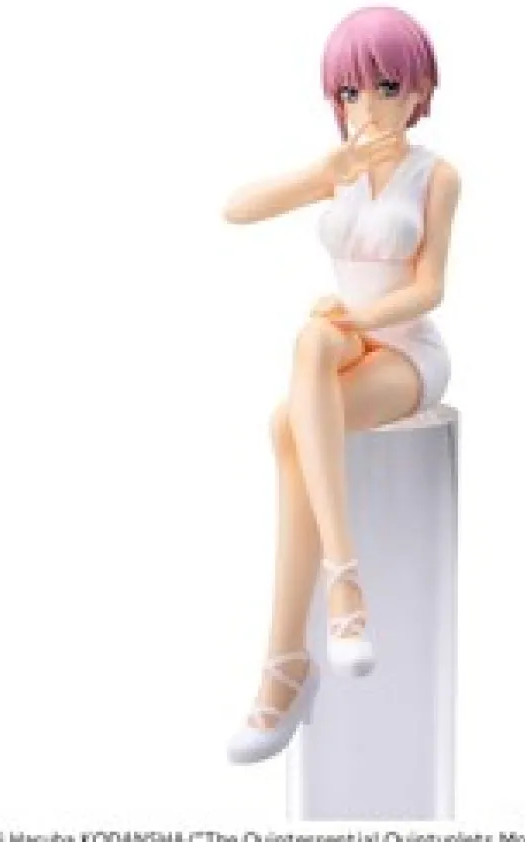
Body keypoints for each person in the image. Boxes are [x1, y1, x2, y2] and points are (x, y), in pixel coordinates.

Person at [224, 5, 461, 764]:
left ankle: (289, 660)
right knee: (308, 349)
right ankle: (339, 595)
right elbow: (235, 209)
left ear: (419, 90)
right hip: (347, 347)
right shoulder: (342, 173)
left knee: (289, 420)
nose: (369, 106)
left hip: (405, 352)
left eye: (387, 87)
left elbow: (428, 288)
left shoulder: (437, 175)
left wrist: (360, 316)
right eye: (351, 92)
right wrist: (323, 175)